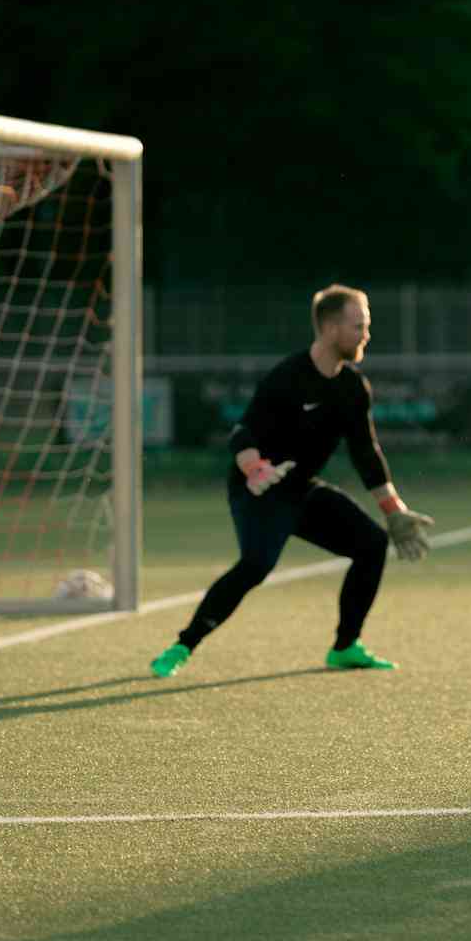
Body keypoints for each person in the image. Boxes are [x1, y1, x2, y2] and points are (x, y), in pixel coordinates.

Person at [149, 285, 435, 678]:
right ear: (331, 328)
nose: (366, 335)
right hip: (259, 489)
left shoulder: (353, 388)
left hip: (301, 488)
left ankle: (345, 647)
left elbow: (366, 454)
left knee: (371, 544)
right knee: (256, 564)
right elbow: (242, 433)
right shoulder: (288, 377)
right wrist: (255, 468)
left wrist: (393, 510)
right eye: (359, 326)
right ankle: (182, 645)